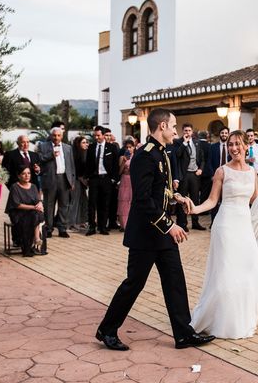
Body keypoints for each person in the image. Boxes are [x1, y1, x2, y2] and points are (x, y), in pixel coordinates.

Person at [96, 108, 215, 351]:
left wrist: (178, 198)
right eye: (173, 125)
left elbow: (160, 192)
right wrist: (169, 226)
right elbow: (142, 200)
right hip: (145, 235)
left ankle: (183, 334)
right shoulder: (145, 155)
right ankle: (107, 329)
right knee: (134, 283)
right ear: (161, 126)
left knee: (175, 280)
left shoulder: (162, 153)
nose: (175, 130)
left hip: (161, 233)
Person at [177, 130, 258, 339]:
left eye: (237, 144)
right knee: (226, 273)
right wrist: (195, 209)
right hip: (226, 226)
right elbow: (212, 201)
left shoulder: (251, 172)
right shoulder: (222, 171)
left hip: (244, 226)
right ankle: (220, 320)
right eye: (230, 144)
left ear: (246, 146)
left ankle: (241, 318)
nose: (234, 148)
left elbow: (255, 199)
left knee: (249, 271)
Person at [39, 127, 76, 238]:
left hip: (64, 179)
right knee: (49, 205)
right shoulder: (43, 146)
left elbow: (71, 165)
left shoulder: (68, 148)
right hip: (50, 179)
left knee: (64, 205)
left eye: (58, 135)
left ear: (62, 136)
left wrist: (72, 181)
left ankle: (62, 228)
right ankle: (49, 228)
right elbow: (39, 159)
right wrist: (51, 155)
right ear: (51, 136)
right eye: (54, 135)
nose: (56, 137)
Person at [172, 123, 206, 231]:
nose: (187, 132)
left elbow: (202, 158)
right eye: (185, 130)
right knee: (183, 200)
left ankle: (195, 222)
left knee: (195, 198)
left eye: (189, 130)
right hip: (184, 174)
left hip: (195, 174)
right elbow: (177, 155)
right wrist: (184, 144)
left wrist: (201, 168)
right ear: (183, 131)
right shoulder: (178, 142)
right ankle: (182, 224)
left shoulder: (197, 142)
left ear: (192, 132)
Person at [5, 166, 45, 257]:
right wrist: (34, 207)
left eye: (29, 173)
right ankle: (36, 239)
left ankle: (35, 240)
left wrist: (39, 204)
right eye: (23, 173)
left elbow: (38, 200)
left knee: (36, 214)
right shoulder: (15, 187)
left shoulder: (33, 186)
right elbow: (17, 205)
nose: (27, 175)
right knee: (35, 215)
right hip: (18, 213)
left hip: (31, 212)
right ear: (19, 176)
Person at [86, 126, 119, 236]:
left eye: (98, 135)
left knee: (104, 204)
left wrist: (114, 179)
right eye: (95, 135)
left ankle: (102, 226)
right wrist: (88, 177)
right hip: (94, 178)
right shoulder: (91, 147)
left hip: (106, 179)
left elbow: (115, 165)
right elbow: (88, 163)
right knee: (92, 203)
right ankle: (91, 226)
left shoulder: (112, 148)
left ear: (104, 135)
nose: (96, 137)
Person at [68, 136, 89, 231]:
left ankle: (81, 221)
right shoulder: (75, 154)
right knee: (74, 202)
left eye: (86, 142)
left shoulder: (85, 153)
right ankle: (71, 223)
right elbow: (75, 169)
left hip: (82, 181)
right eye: (83, 142)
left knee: (83, 201)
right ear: (78, 144)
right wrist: (81, 179)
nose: (86, 144)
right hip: (76, 181)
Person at [117, 138, 135, 230]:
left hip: (133, 181)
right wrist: (124, 162)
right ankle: (124, 225)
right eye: (127, 147)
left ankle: (132, 224)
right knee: (123, 201)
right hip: (124, 180)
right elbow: (119, 172)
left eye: (130, 147)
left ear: (134, 148)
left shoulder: (137, 157)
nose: (128, 149)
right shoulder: (121, 157)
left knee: (132, 201)